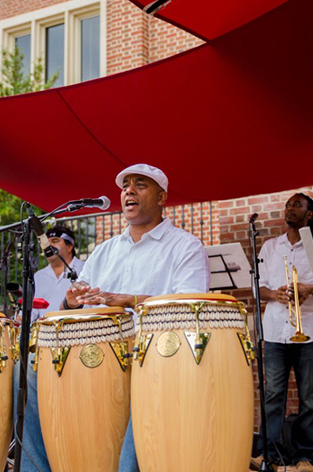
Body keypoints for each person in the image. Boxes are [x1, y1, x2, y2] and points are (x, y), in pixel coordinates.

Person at [62, 163, 210, 472]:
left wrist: (131, 300)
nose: (129, 190)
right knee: (29, 374)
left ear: (161, 197)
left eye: (140, 185)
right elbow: (75, 309)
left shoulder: (186, 247)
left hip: (156, 354)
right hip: (98, 352)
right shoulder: (103, 251)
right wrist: (72, 303)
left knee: (145, 373)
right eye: (125, 185)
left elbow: (189, 308)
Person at [258, 193, 313, 472]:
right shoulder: (270, 247)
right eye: (287, 204)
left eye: (296, 205)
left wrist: (309, 288)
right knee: (272, 395)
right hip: (274, 332)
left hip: (309, 331)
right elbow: (258, 288)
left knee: (308, 397)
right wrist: (275, 294)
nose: (289, 208)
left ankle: (304, 457)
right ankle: (269, 455)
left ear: (309, 214)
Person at [14, 225, 85, 472]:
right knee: (17, 371)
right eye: (46, 240)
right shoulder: (38, 276)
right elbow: (29, 313)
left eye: (54, 240)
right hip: (41, 346)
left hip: (75, 343)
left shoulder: (85, 270)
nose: (48, 245)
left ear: (70, 245)